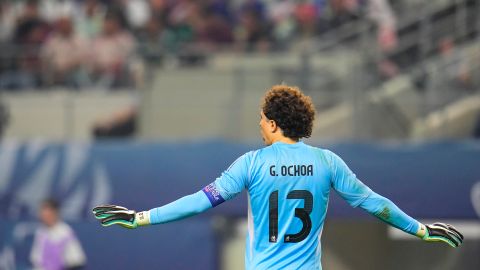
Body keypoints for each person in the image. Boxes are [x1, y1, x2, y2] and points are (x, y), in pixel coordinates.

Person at [93, 85, 463, 269]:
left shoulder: (251, 164)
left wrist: (141, 218)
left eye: (260, 118)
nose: (258, 124)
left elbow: (197, 202)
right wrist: (421, 229)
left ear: (272, 123)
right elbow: (375, 204)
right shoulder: (327, 163)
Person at [31, 199, 86, 270]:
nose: (41, 214)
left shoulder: (65, 232)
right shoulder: (40, 231)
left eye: (44, 211)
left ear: (54, 212)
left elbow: (77, 260)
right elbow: (36, 259)